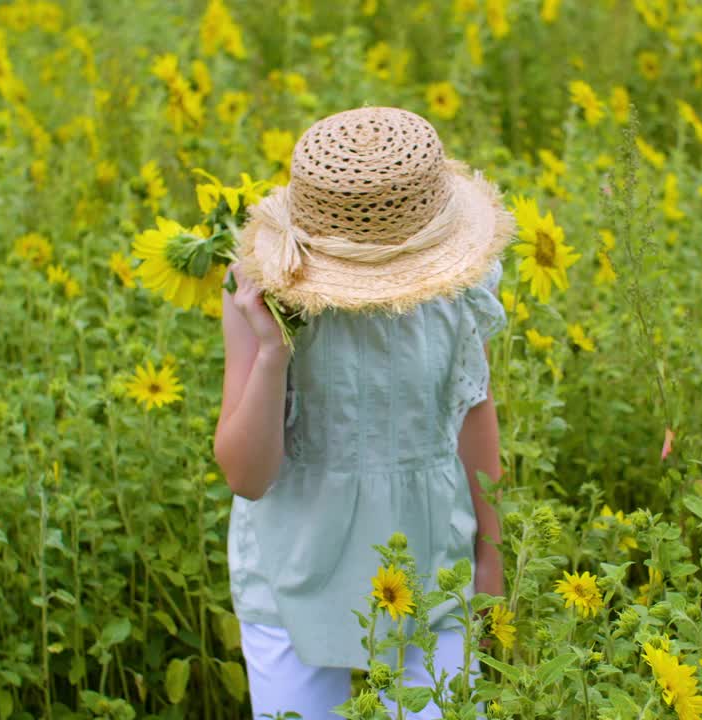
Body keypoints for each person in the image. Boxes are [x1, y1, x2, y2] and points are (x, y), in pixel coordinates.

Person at [213, 106, 516, 720]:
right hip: (294, 559)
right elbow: (247, 477)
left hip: (433, 558)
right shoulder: (261, 291)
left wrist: (493, 556)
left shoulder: (458, 284)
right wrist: (272, 351)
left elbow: (473, 411)